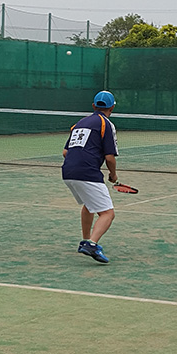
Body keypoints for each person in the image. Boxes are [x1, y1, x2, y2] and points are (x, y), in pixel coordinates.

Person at [61, 90, 120, 264]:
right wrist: (113, 175)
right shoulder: (106, 124)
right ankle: (92, 244)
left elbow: (65, 152)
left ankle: (86, 239)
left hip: (68, 172)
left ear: (94, 106)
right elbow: (109, 157)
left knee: (89, 205)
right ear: (112, 107)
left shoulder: (79, 124)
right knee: (108, 213)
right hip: (87, 173)